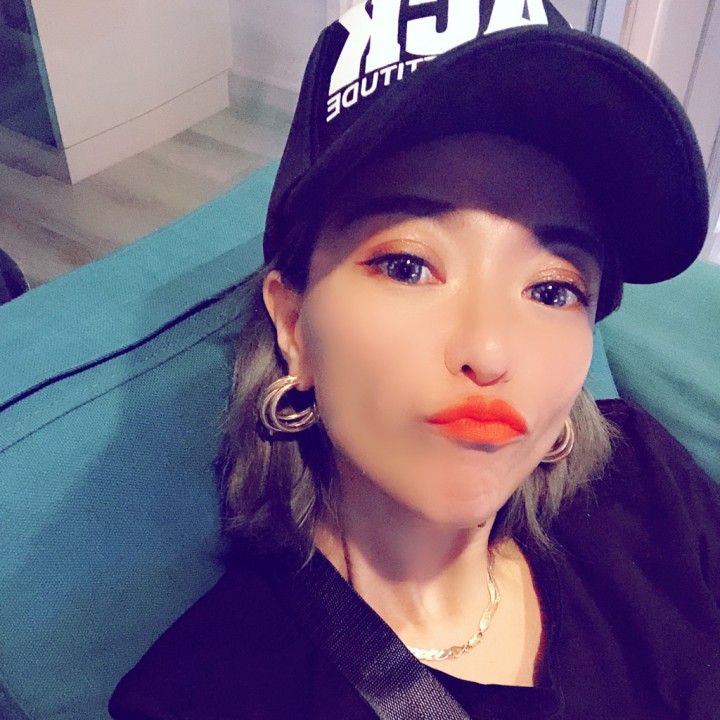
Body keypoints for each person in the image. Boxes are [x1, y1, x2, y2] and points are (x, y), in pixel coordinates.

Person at [109, 1, 720, 718]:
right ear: (294, 324)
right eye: (407, 266)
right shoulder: (204, 696)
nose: (489, 351)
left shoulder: (645, 479)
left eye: (553, 290)